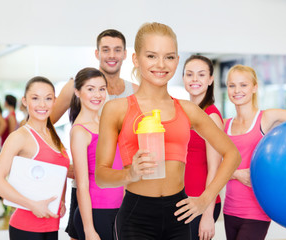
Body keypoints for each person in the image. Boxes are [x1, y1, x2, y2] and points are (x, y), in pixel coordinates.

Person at [95, 22, 241, 240]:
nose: (161, 64)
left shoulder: (188, 109)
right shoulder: (116, 109)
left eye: (170, 57)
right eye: (152, 56)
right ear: (136, 59)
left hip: (179, 214)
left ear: (177, 61)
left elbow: (232, 154)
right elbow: (101, 176)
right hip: (137, 216)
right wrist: (130, 173)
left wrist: (204, 199)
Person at [50, 29, 138, 240]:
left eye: (117, 50)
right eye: (105, 50)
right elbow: (43, 125)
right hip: (88, 193)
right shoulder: (75, 88)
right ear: (97, 53)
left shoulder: (135, 91)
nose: (111, 55)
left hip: (120, 194)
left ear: (125, 54)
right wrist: (62, 162)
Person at [223, 64, 286, 240]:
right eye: (232, 85)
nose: (237, 90)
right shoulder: (224, 125)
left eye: (243, 85)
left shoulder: (267, 117)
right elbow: (214, 167)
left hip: (257, 210)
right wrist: (237, 174)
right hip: (230, 209)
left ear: (254, 87)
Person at [0, 76, 70, 240]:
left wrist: (60, 202)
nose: (42, 104)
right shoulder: (20, 136)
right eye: (35, 98)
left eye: (48, 98)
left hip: (51, 224)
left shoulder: (53, 136)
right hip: (26, 228)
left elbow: (58, 173)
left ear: (54, 101)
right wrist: (32, 205)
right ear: (25, 101)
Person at [69, 67, 123, 240]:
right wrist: (89, 230)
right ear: (77, 92)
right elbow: (82, 185)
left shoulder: (106, 122)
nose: (97, 94)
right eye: (90, 89)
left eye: (101, 89)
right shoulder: (79, 131)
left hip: (118, 210)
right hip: (96, 212)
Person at [182, 55, 223, 240]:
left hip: (201, 204)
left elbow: (215, 168)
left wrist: (207, 214)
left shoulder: (211, 116)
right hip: (183, 201)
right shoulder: (184, 112)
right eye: (189, 74)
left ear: (210, 79)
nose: (194, 79)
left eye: (201, 74)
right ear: (183, 78)